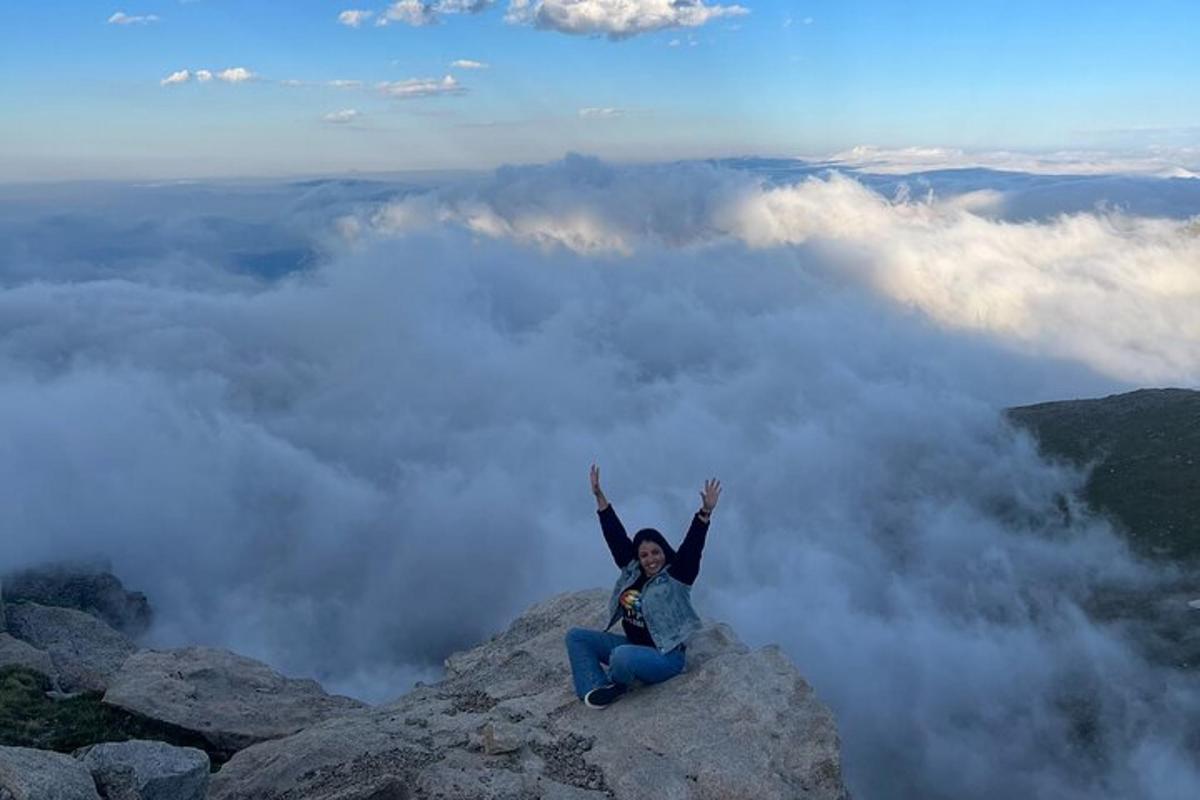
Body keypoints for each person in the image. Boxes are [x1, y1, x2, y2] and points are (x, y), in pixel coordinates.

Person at [565, 463, 721, 709]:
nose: (651, 559)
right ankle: (594, 691)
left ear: (664, 551)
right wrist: (599, 496)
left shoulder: (677, 576)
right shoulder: (633, 571)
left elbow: (692, 548)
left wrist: (704, 513)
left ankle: (618, 684)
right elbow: (616, 537)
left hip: (665, 656)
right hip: (634, 646)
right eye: (644, 555)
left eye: (656, 552)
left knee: (621, 657)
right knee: (576, 638)